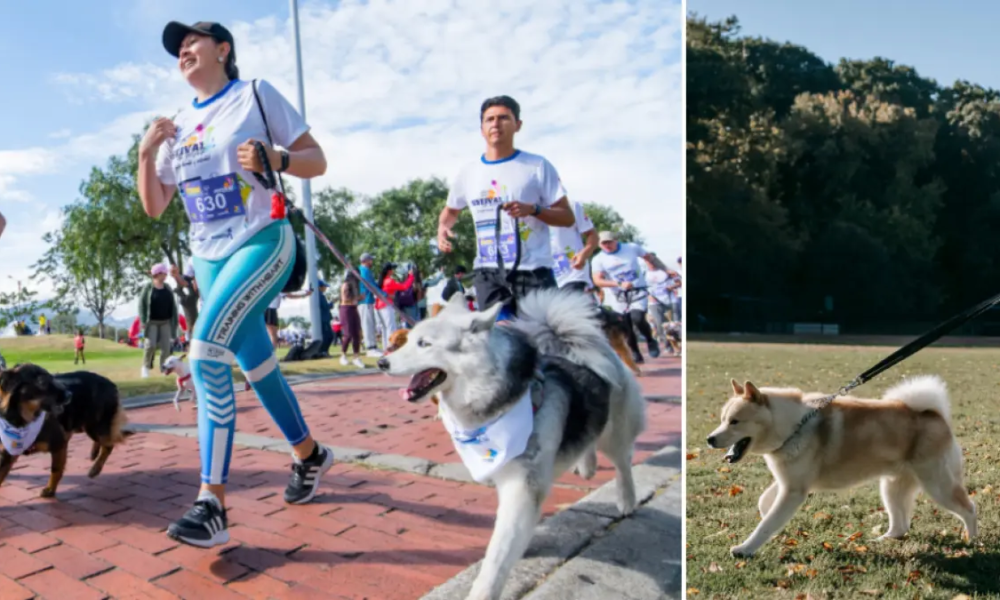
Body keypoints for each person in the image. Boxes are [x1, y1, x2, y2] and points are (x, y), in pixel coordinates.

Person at [138, 20, 333, 548]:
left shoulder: (255, 95)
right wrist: (144, 154)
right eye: (177, 47)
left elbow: (316, 158)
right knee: (257, 365)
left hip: (261, 240)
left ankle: (212, 502)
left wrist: (278, 159)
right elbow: (156, 206)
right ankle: (310, 454)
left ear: (223, 49)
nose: (183, 49)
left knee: (203, 356)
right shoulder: (177, 124)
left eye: (193, 40)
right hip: (207, 258)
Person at [437, 95, 575, 321]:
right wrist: (442, 228)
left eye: (503, 118)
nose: (496, 124)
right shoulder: (469, 172)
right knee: (499, 341)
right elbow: (451, 211)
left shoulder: (537, 166)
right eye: (489, 119)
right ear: (482, 128)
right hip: (488, 272)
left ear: (518, 125)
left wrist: (534, 210)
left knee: (541, 344)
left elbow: (567, 217)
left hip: (533, 272)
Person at [590, 231, 665, 363]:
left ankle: (650, 340)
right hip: (617, 295)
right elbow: (597, 280)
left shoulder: (631, 248)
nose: (607, 245)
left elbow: (650, 258)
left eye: (610, 242)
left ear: (616, 240)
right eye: (604, 243)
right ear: (599, 244)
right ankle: (635, 351)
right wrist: (618, 283)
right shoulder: (598, 259)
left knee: (637, 317)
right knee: (625, 324)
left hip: (637, 290)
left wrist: (665, 269)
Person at [138, 264, 179, 378]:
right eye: (164, 273)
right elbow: (141, 305)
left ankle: (164, 369)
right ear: (158, 274)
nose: (166, 275)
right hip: (151, 322)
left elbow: (173, 305)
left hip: (165, 322)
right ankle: (145, 367)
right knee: (150, 345)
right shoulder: (147, 288)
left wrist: (174, 321)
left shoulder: (167, 287)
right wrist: (142, 320)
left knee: (166, 347)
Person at [550, 201, 599, 294]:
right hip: (544, 275)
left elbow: (592, 235)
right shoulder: (523, 212)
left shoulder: (571, 206)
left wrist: (584, 254)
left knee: (567, 305)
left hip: (572, 272)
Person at [375, 263, 415, 350]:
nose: (393, 270)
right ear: (389, 271)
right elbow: (404, 287)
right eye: (392, 269)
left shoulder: (382, 280)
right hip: (386, 306)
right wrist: (411, 276)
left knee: (385, 329)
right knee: (390, 328)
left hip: (380, 306)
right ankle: (390, 348)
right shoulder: (389, 281)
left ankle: (386, 348)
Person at [357, 253, 381, 356]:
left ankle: (373, 346)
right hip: (365, 301)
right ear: (366, 260)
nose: (372, 262)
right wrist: (383, 294)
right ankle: (370, 348)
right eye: (371, 260)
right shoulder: (364, 270)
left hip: (368, 300)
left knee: (371, 324)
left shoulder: (364, 270)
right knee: (367, 325)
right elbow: (371, 285)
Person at [338, 273, 364, 368]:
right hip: (346, 309)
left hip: (353, 308)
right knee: (348, 334)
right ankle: (343, 355)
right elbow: (346, 299)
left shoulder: (355, 286)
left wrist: (358, 298)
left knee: (357, 333)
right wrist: (358, 298)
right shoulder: (346, 285)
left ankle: (356, 356)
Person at [171, 263, 200, 333]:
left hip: (189, 298)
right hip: (188, 300)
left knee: (192, 322)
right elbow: (183, 282)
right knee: (192, 322)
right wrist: (176, 276)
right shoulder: (189, 276)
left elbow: (183, 282)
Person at [316, 281, 336, 357]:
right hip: (324, 319)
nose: (325, 288)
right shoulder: (320, 296)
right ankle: (323, 351)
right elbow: (326, 307)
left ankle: (324, 351)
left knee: (328, 335)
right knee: (328, 336)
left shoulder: (319, 295)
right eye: (324, 287)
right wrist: (332, 302)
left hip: (324, 318)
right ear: (320, 287)